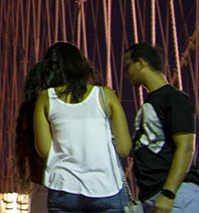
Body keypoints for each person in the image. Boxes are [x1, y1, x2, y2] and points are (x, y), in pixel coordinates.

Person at [33, 42, 132, 213]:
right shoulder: (105, 95)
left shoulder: (46, 98)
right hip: (106, 187)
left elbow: (44, 151)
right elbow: (124, 149)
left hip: (64, 189)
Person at [124, 42, 199, 212]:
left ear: (141, 62)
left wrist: (169, 193)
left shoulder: (175, 98)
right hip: (154, 196)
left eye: (129, 66)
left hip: (176, 196)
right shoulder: (151, 103)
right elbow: (142, 148)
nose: (127, 73)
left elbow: (186, 148)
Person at [16, 60, 53, 213]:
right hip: (61, 188)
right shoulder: (55, 109)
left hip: (40, 189)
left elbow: (24, 151)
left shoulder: (27, 115)